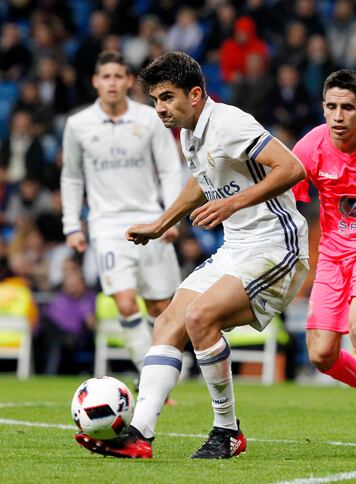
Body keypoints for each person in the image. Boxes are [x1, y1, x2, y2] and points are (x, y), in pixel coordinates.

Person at [75, 51, 309, 459]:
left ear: (196, 94)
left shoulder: (229, 123)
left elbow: (290, 168)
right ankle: (139, 434)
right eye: (155, 101)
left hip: (276, 246)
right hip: (237, 248)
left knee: (200, 317)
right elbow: (201, 182)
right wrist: (161, 223)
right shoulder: (189, 132)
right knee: (168, 319)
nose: (160, 108)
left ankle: (227, 431)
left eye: (167, 97)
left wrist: (233, 205)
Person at [61, 50, 182, 381]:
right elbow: (71, 177)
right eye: (106, 77)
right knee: (126, 303)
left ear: (129, 81)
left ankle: (169, 371)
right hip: (107, 225)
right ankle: (151, 377)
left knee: (161, 309)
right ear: (96, 82)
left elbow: (171, 168)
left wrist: (170, 218)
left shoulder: (149, 119)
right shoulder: (78, 125)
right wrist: (73, 226)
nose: (112, 82)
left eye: (119, 76)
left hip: (150, 219)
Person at [291, 70, 356, 389]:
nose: (338, 116)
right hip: (333, 256)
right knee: (321, 354)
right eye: (331, 107)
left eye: (347, 107)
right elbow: (282, 197)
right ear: (322, 108)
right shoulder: (310, 147)